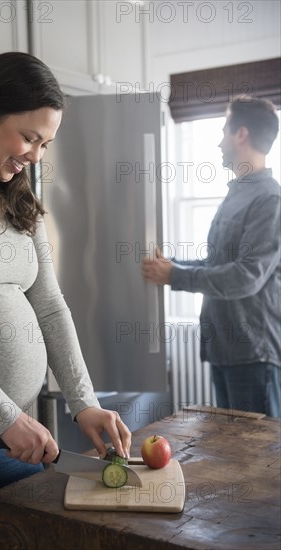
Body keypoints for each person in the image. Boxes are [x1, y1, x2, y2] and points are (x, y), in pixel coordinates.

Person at [0, 52, 131, 549]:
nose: (35, 155)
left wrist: (84, 403)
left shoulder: (19, 197)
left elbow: (50, 306)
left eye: (44, 144)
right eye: (29, 138)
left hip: (13, 442)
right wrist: (8, 418)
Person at [142, 96, 280, 418]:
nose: (219, 143)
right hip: (225, 350)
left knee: (257, 462)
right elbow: (218, 264)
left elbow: (246, 276)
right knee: (233, 458)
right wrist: (171, 266)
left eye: (224, 132)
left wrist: (175, 276)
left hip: (253, 355)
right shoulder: (238, 194)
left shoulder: (269, 200)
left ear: (241, 134)